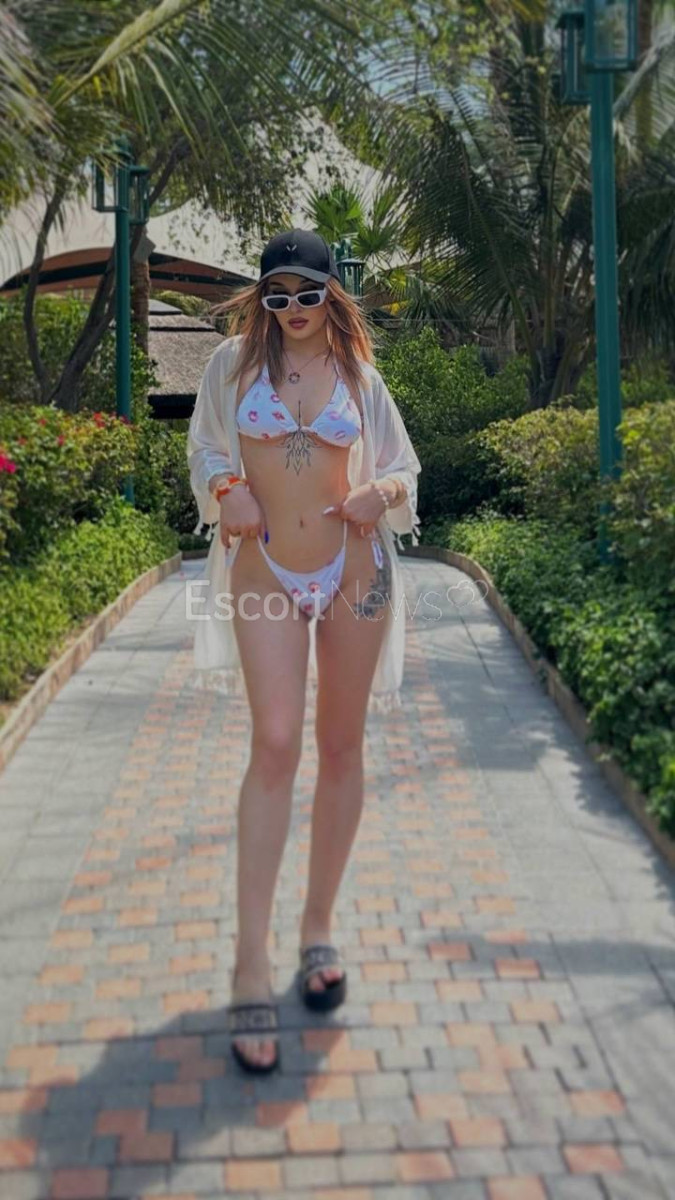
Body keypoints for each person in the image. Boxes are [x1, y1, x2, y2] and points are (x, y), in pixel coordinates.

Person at [186, 228, 422, 1073]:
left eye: (307, 293)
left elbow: (405, 469)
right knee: (277, 741)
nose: (291, 309)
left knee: (341, 746)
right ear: (262, 299)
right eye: (276, 295)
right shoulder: (231, 366)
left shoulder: (359, 376)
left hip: (356, 574)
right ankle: (249, 961)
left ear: (331, 295)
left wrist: (378, 491)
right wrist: (226, 488)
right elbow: (206, 445)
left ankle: (317, 928)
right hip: (265, 571)